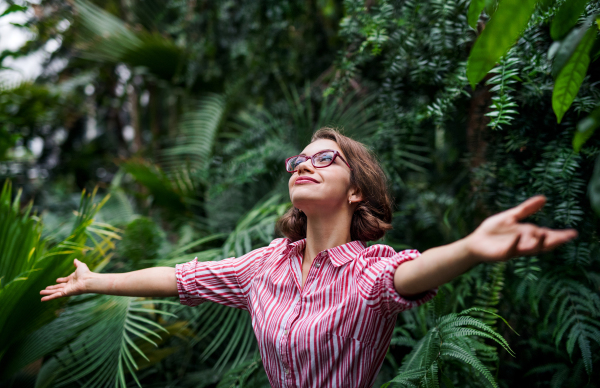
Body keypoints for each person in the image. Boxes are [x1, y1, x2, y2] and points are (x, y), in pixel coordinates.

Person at [40, 127, 578, 388]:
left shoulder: (371, 272)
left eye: (326, 158)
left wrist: (469, 249)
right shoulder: (264, 266)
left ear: (356, 191)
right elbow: (178, 278)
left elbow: (413, 273)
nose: (305, 164)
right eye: (300, 158)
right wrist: (95, 281)